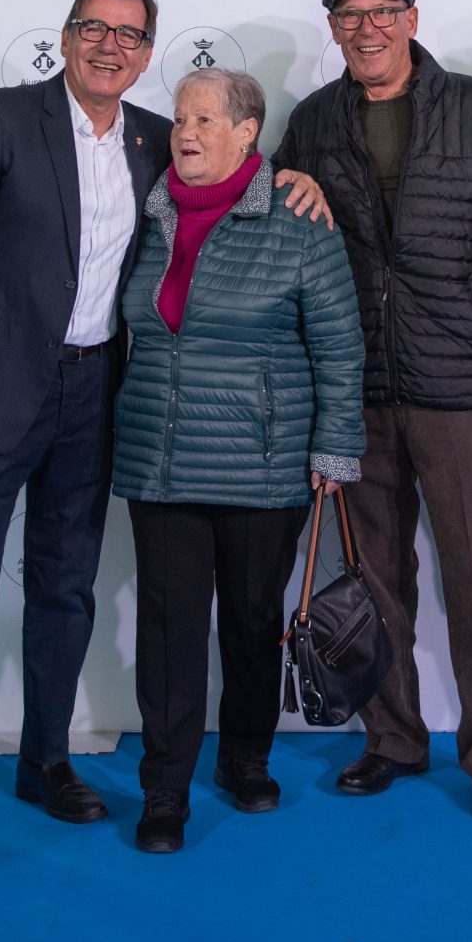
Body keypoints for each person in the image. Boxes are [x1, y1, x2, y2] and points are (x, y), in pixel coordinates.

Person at [0, 0, 326, 862]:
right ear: (65, 36)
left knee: (65, 586)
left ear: (146, 53)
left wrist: (294, 178)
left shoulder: (156, 138)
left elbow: (232, 162)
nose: (109, 46)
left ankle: (45, 759)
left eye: (129, 35)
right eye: (94, 27)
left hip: (95, 394)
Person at [269, 0, 472, 818]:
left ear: (412, 19)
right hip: (355, 385)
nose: (367, 27)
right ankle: (392, 737)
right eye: (349, 15)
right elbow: (282, 239)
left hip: (460, 380)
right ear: (332, 28)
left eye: (383, 11)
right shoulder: (313, 122)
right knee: (374, 575)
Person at [112, 68, 365, 854]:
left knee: (253, 623)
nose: (184, 133)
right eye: (180, 118)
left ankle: (246, 758)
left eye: (204, 120)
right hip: (160, 460)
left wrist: (336, 446)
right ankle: (165, 787)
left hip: (264, 465)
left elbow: (339, 342)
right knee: (168, 630)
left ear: (248, 131)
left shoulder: (298, 215)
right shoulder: (146, 208)